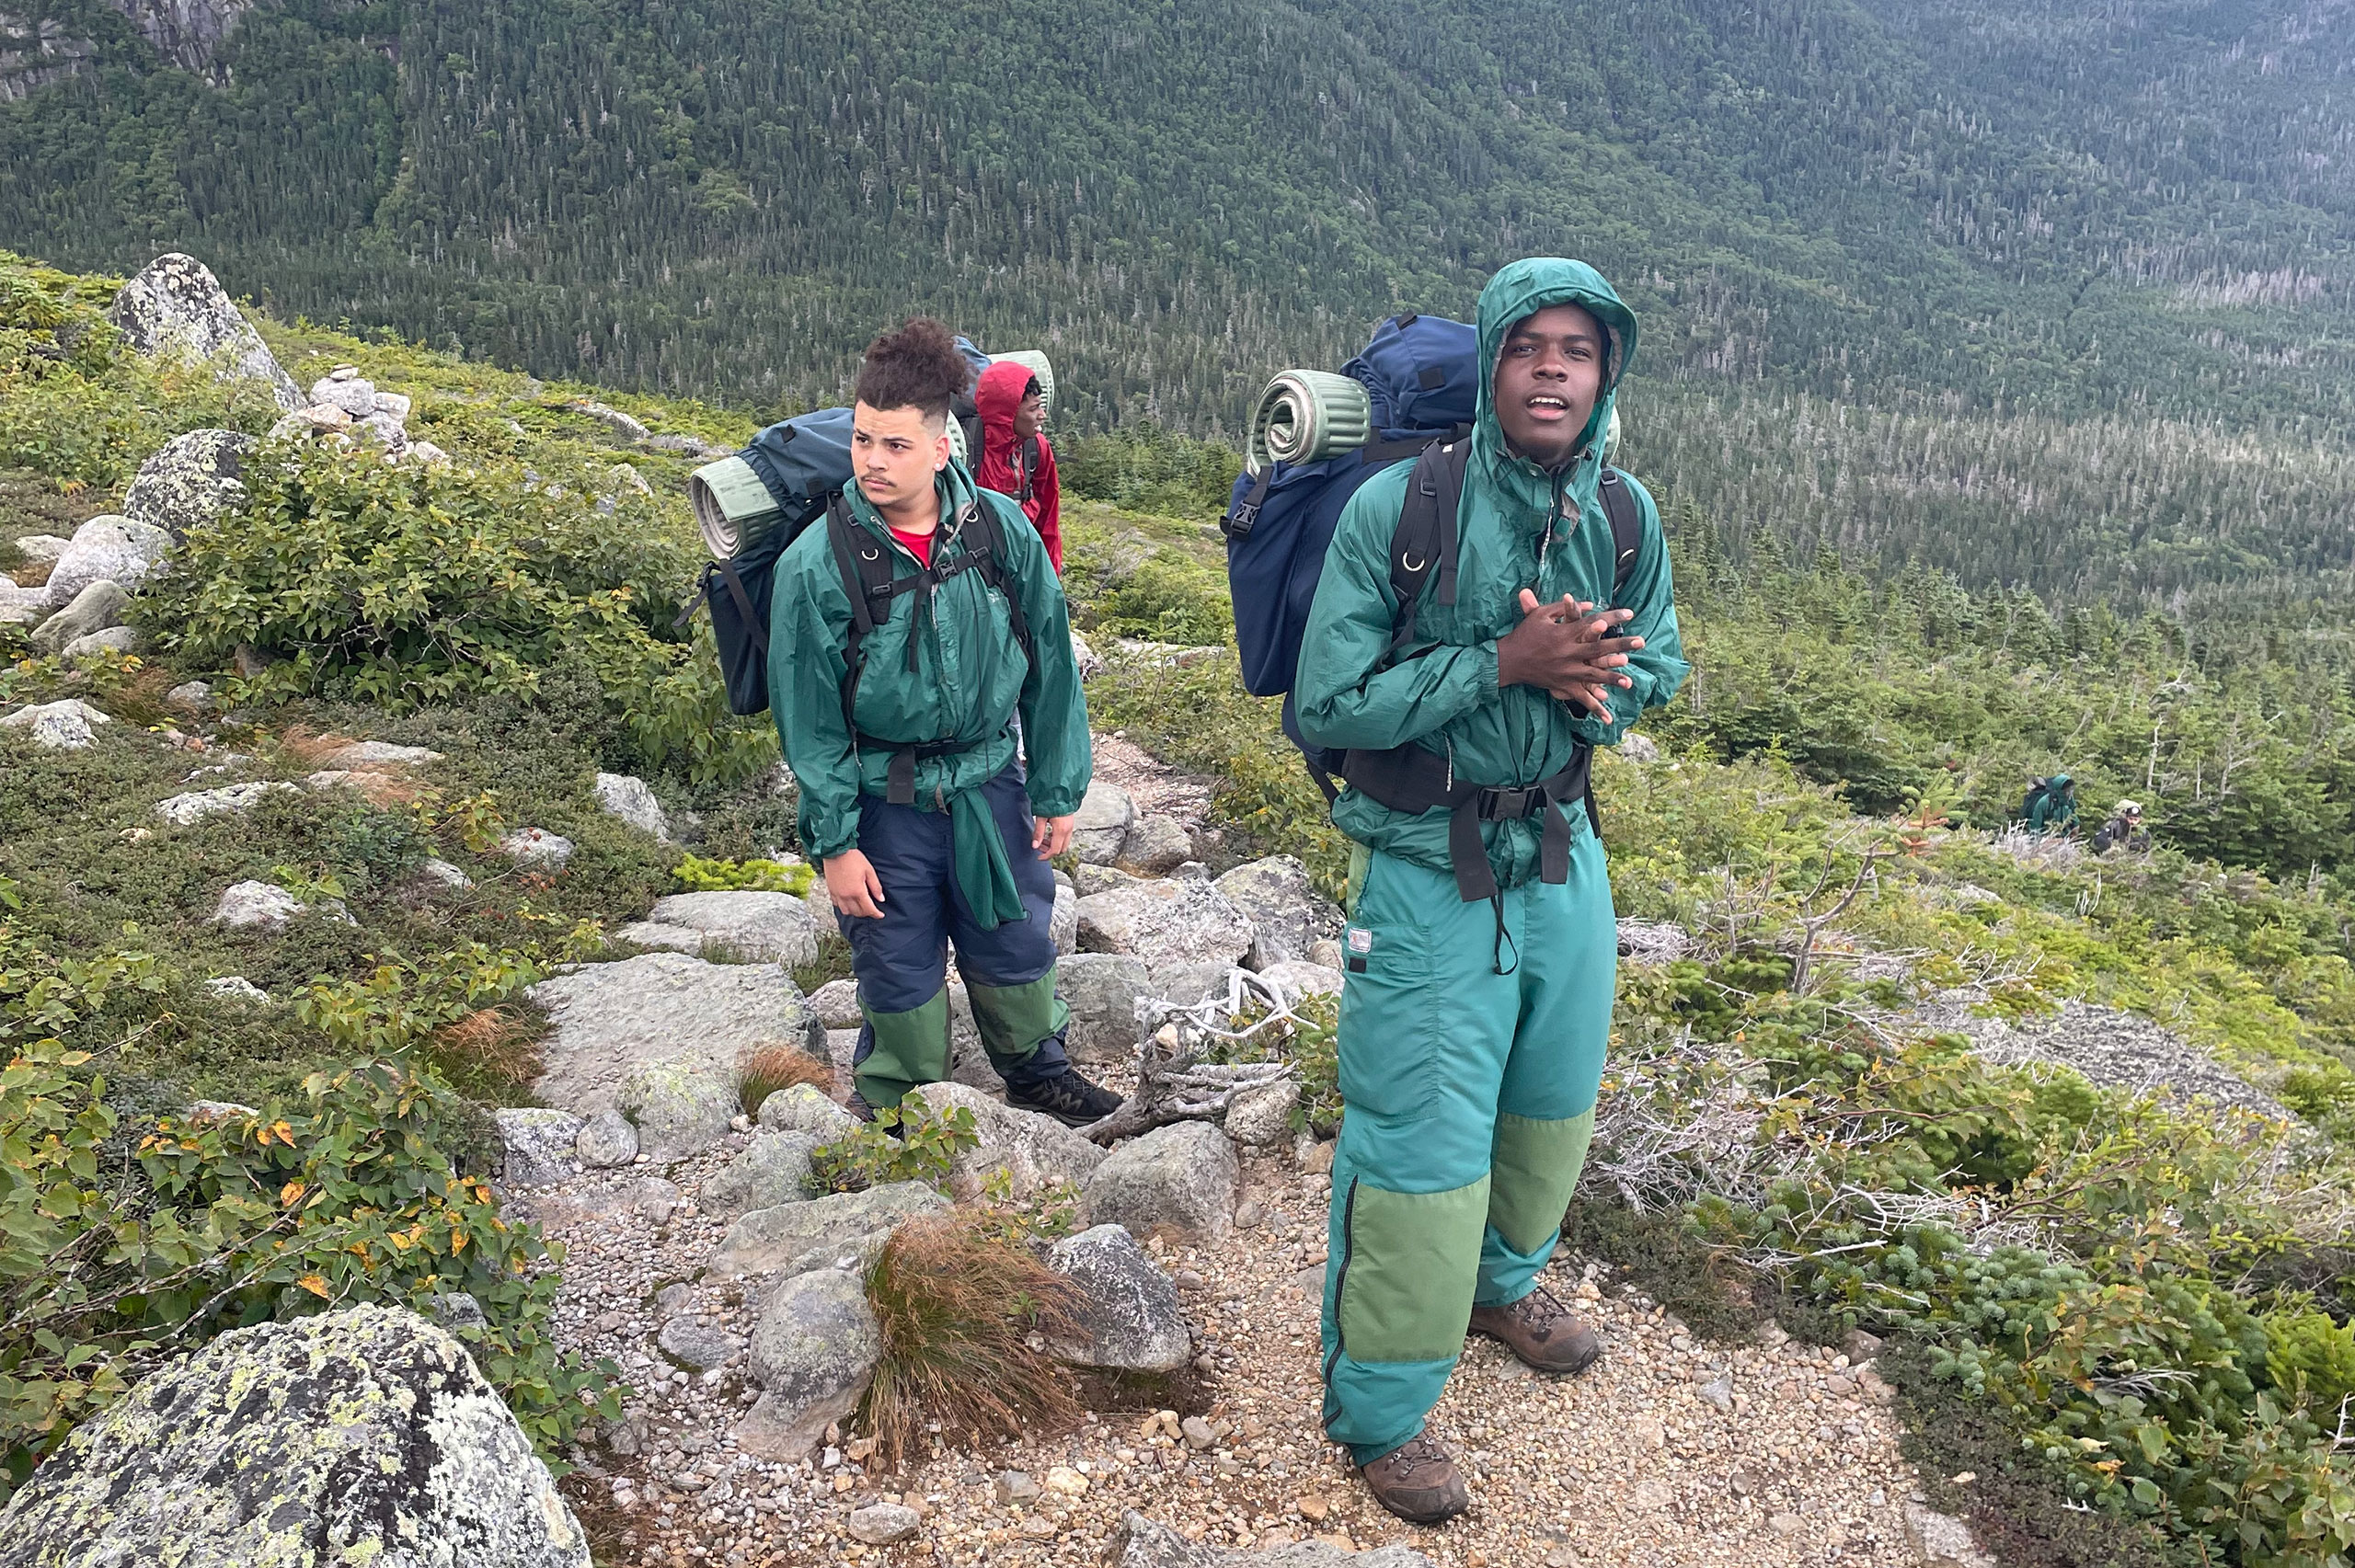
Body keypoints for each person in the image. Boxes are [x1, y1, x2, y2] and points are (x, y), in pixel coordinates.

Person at [1293, 258, 1688, 1523]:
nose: (1555, 368)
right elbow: (1330, 703)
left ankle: (1501, 1283)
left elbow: (1662, 664)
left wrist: (1597, 678)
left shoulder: (1625, 515)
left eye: (1579, 349)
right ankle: (1384, 1412)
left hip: (1566, 853)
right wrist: (1504, 662)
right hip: (1425, 865)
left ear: (1606, 370)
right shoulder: (1399, 510)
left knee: (1552, 1097)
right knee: (1418, 1136)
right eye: (1530, 347)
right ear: (1491, 365)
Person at [767, 318, 1120, 1127]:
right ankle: (898, 1098)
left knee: (1015, 935)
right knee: (895, 961)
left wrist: (1059, 787)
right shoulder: (816, 564)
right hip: (884, 799)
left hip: (993, 780)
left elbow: (1052, 666)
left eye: (894, 445)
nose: (872, 462)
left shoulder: (1000, 530)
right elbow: (811, 724)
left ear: (940, 447)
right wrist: (836, 843)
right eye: (862, 440)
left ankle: (1037, 1072)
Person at [974, 360, 1063, 572]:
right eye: (1033, 409)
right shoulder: (970, 451)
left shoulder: (1036, 447)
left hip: (1022, 563)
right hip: (976, 570)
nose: (1042, 415)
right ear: (1007, 413)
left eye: (1040, 406)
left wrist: (1049, 578)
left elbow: (1048, 520)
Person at [2025, 773, 2079, 838]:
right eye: (2067, 790)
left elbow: (2073, 815)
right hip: (2046, 838)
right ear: (2060, 790)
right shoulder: (2044, 803)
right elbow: (2036, 827)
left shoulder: (2069, 800)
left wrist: (2076, 826)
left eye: (2070, 790)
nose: (2069, 793)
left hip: (2064, 838)